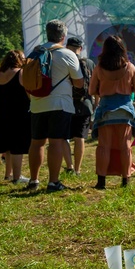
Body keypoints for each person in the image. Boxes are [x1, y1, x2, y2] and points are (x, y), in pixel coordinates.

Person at [27, 19, 84, 192]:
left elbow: (26, 80)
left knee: (36, 143)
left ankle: (34, 180)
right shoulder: (68, 54)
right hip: (60, 104)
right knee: (56, 142)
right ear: (63, 36)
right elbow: (79, 83)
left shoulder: (34, 53)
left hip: (37, 104)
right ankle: (53, 182)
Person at [89, 35, 135, 189]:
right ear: (122, 49)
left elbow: (92, 90)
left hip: (106, 110)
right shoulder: (130, 67)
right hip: (125, 111)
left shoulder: (99, 68)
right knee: (126, 146)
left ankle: (101, 182)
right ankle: (126, 180)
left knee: (103, 146)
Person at [0, 50, 31, 183]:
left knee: (7, 145)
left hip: (2, 112)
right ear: (19, 60)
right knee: (17, 145)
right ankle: (17, 177)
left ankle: (8, 174)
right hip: (19, 112)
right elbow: (28, 93)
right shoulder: (20, 73)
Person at [62, 37, 95, 177]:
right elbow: (93, 85)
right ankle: (77, 169)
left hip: (65, 103)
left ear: (67, 46)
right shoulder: (89, 63)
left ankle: (69, 166)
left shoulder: (62, 60)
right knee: (80, 137)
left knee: (64, 137)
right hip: (85, 104)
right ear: (80, 48)